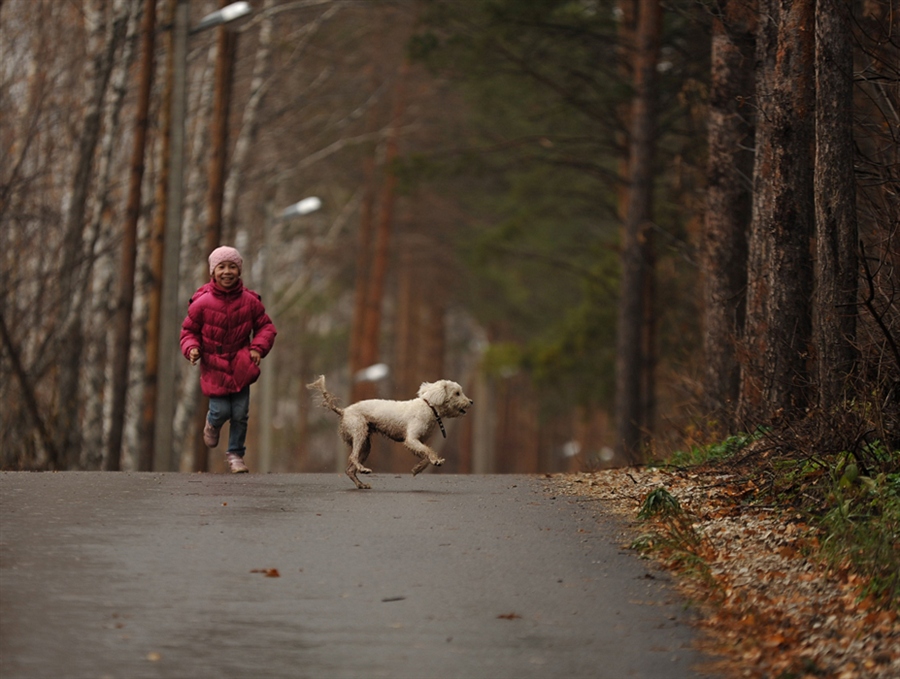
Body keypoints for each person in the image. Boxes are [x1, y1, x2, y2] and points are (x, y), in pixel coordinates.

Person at [180, 246, 277, 473]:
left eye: (232, 267)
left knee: (240, 413)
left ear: (239, 271)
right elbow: (188, 332)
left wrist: (257, 349)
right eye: (221, 267)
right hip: (214, 364)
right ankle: (212, 423)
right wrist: (192, 348)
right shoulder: (201, 303)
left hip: (241, 363)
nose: (227, 272)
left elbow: (266, 327)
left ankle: (235, 455)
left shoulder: (250, 301)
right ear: (213, 272)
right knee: (221, 411)